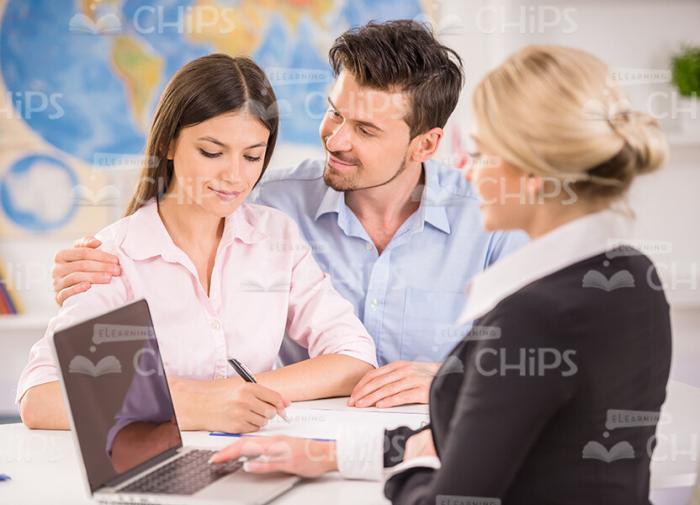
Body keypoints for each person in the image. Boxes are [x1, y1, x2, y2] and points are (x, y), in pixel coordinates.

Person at [208, 45, 673, 504]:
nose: (467, 170)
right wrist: (332, 455)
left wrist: (412, 457)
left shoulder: (529, 316)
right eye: (336, 114)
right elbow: (490, 449)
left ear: (531, 177)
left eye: (483, 153)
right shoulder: (635, 274)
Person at [49, 20, 527, 409]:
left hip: (440, 441)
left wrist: (453, 377)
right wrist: (88, 271)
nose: (336, 139)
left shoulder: (493, 219)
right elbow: (175, 219)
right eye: (335, 113)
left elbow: (548, 357)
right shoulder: (265, 203)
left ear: (425, 145)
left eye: (364, 128)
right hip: (293, 440)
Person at [17, 54, 377, 433]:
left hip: (255, 455)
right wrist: (184, 406)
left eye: (252, 156)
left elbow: (354, 356)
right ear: (170, 144)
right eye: (211, 152)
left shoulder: (275, 236)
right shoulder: (114, 255)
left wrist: (232, 393)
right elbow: (40, 398)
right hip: (158, 470)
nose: (234, 175)